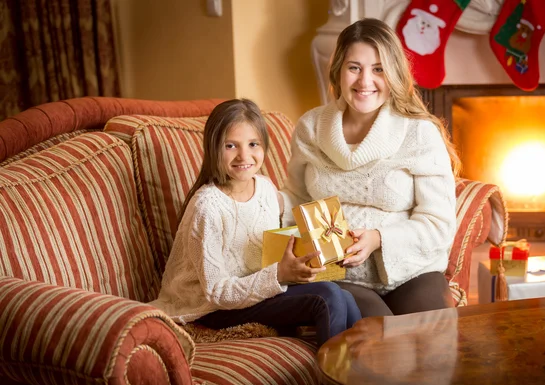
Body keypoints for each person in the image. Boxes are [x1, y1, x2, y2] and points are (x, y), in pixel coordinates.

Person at [280, 18, 461, 317]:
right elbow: (296, 199)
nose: (365, 81)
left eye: (378, 69)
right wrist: (253, 199)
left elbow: (439, 224)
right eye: (354, 67)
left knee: (436, 341)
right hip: (340, 275)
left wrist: (379, 239)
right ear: (338, 71)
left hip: (413, 271)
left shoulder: (418, 132)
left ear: (393, 75)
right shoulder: (311, 127)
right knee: (384, 345)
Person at [150, 98, 361, 346]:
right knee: (328, 297)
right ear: (213, 147)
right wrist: (280, 273)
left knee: (345, 297)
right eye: (231, 145)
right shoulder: (208, 207)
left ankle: (361, 373)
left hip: (255, 291)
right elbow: (217, 293)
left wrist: (333, 245)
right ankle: (337, 380)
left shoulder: (263, 187)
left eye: (253, 144)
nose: (244, 155)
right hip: (212, 309)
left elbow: (276, 240)